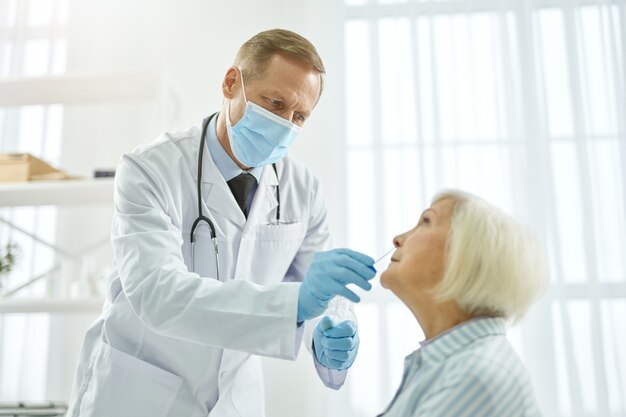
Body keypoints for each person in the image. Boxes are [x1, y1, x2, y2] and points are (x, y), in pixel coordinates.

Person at [67, 29, 376, 417]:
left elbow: (318, 294)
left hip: (235, 401)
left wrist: (330, 330)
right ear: (232, 83)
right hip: (141, 394)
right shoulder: (150, 170)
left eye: (299, 116)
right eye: (274, 103)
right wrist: (296, 303)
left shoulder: (303, 188)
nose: (286, 124)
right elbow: (157, 294)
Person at [378, 190, 549, 417]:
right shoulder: (451, 365)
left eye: (426, 221)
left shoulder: (473, 376)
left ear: (466, 251)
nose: (398, 238)